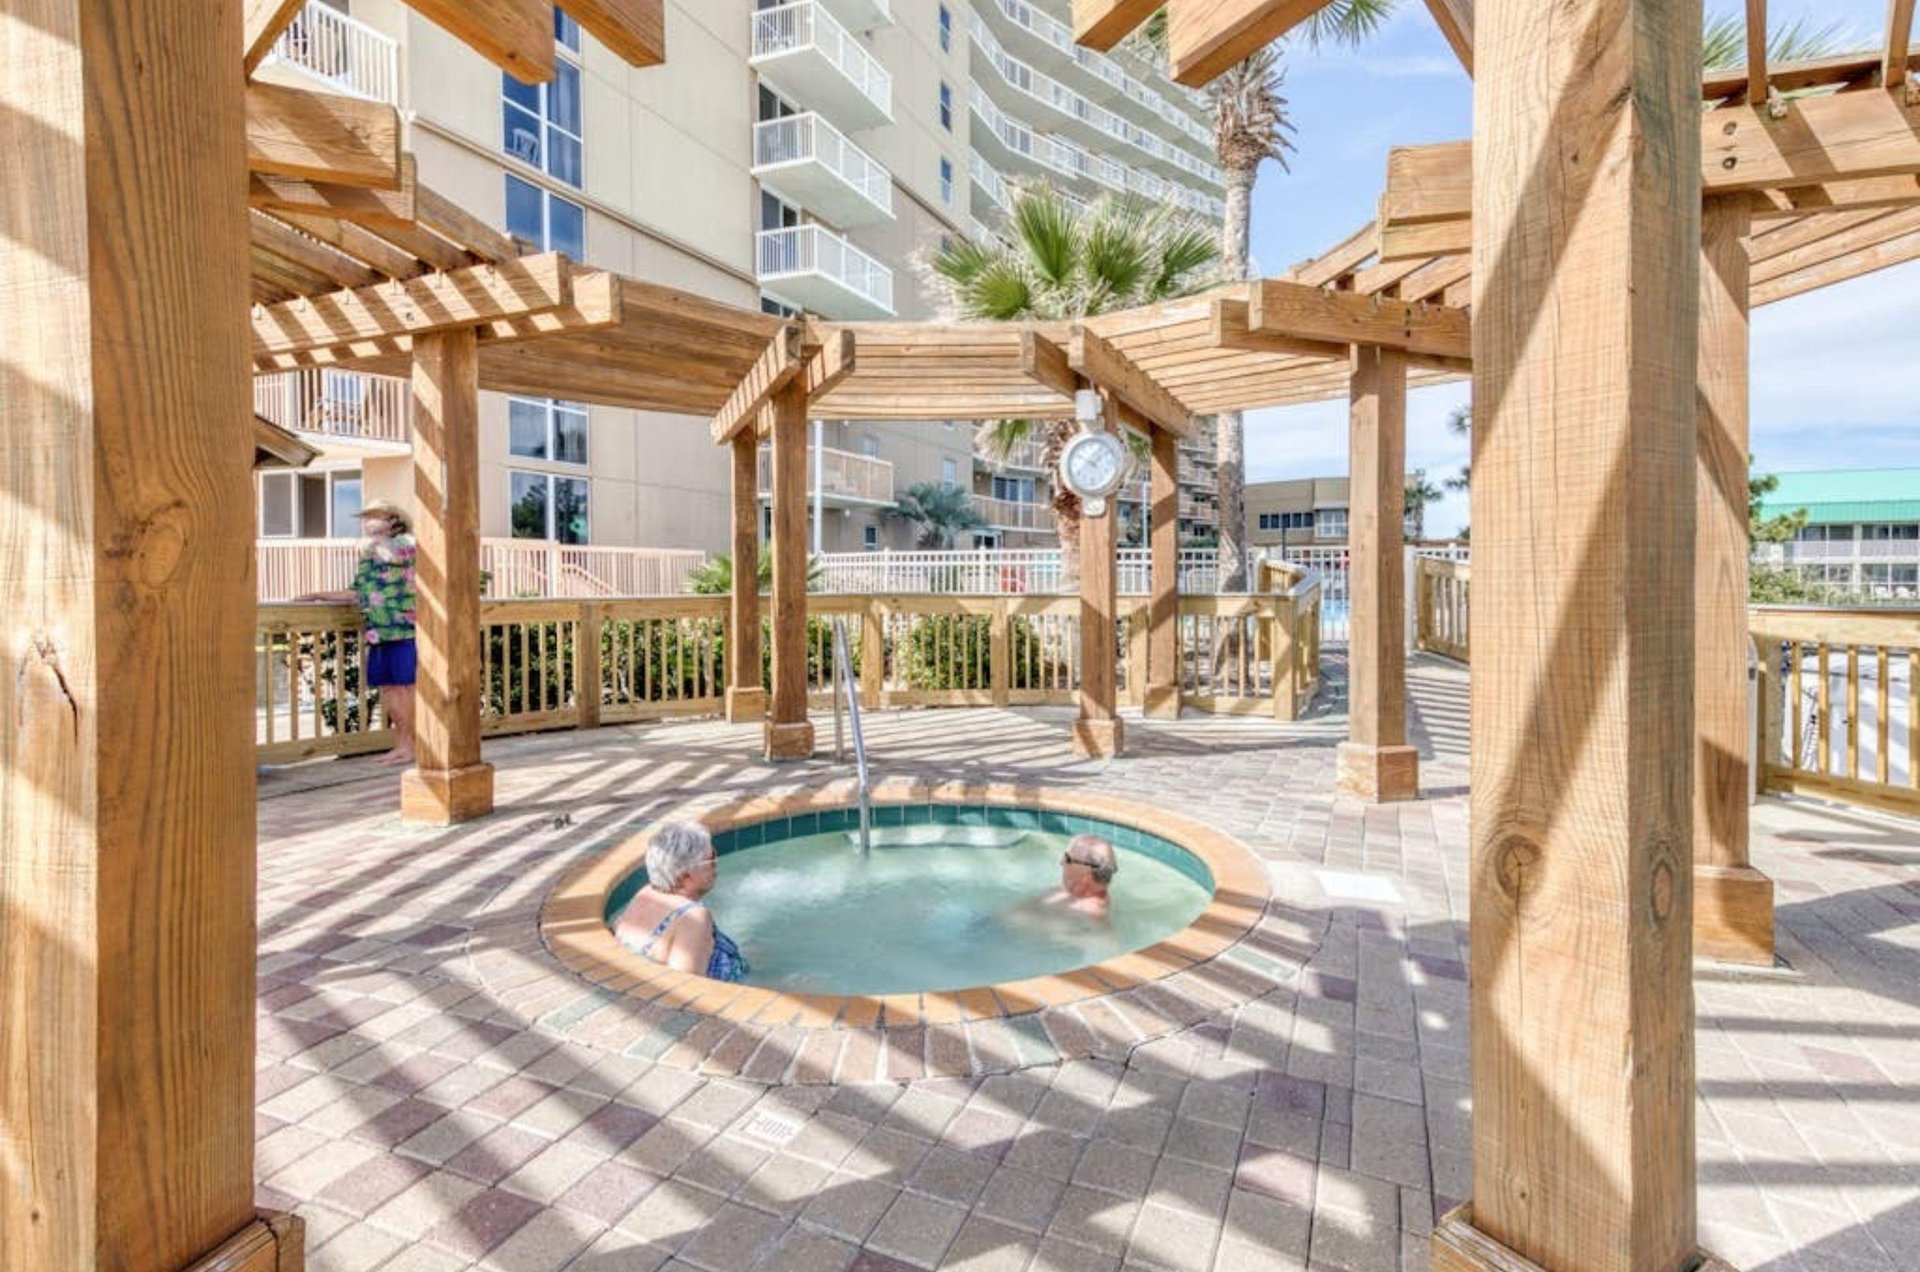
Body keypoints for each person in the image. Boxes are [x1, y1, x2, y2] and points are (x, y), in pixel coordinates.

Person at [295, 501, 418, 767]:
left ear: (393, 520)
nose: (367, 522)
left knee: (403, 689)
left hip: (402, 629)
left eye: (375, 517)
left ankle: (410, 747)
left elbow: (395, 555)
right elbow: (356, 592)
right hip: (377, 632)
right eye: (366, 518)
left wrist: (382, 537)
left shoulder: (405, 545)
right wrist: (317, 594)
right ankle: (403, 746)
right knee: (390, 690)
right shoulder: (369, 556)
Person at [613, 822, 749, 982]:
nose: (715, 862)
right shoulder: (692, 918)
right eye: (710, 858)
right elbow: (685, 987)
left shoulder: (647, 892)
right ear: (685, 876)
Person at [1045, 834, 1117, 917]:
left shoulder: (1087, 914)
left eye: (1068, 859)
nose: (1061, 862)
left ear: (1086, 871)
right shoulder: (1075, 896)